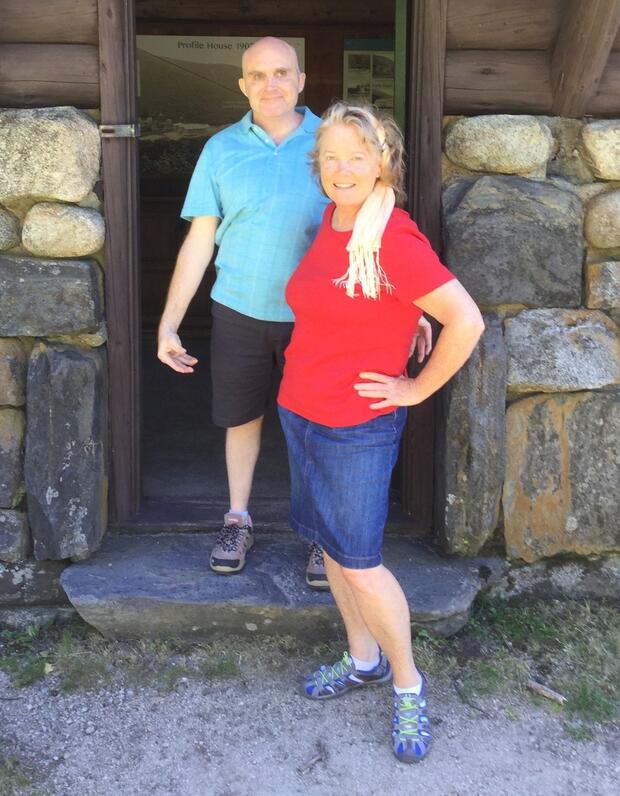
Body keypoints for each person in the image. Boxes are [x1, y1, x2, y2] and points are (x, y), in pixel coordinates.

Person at [157, 38, 431, 588]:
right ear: (242, 85)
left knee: (317, 427)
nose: (270, 84)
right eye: (257, 75)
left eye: (281, 72)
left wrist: (407, 305)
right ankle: (238, 518)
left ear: (301, 80)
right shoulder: (221, 149)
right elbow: (199, 241)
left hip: (324, 318)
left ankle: (320, 538)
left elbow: (371, 223)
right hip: (238, 308)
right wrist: (169, 320)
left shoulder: (331, 144)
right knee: (241, 418)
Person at [276, 102, 485, 763]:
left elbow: (467, 321)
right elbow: (352, 305)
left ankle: (407, 684)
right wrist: (403, 319)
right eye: (331, 155)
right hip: (301, 409)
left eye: (356, 156)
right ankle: (362, 658)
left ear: (382, 162)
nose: (342, 168)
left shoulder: (390, 235)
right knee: (335, 551)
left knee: (362, 566)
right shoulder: (337, 222)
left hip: (356, 426)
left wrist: (416, 388)